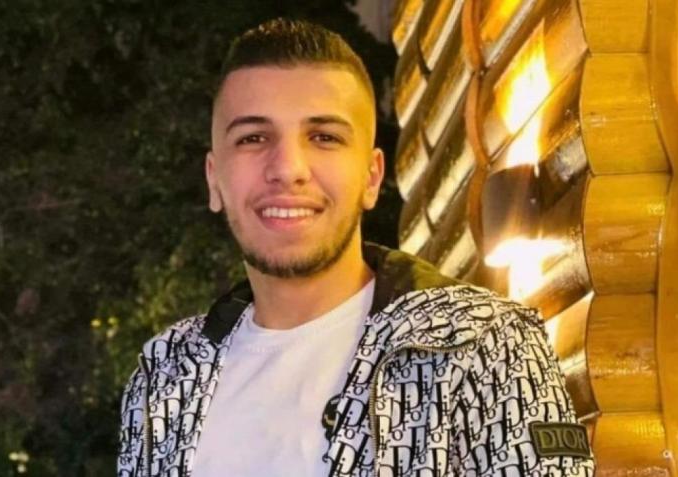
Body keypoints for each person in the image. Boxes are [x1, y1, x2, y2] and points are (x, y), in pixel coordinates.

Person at [117, 18, 595, 477]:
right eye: (253, 137)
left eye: (324, 137)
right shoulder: (166, 375)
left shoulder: (485, 345)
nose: (288, 168)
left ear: (371, 176)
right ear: (214, 179)